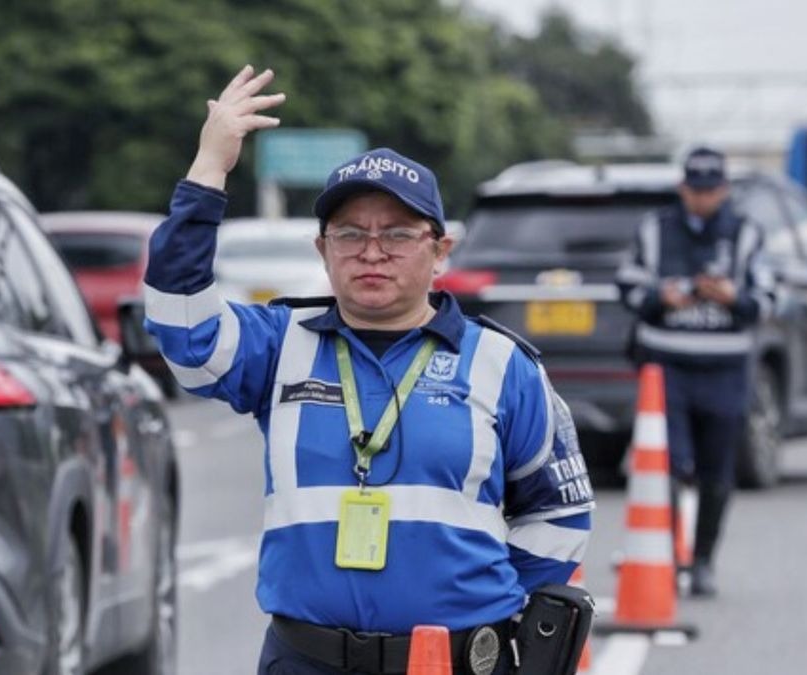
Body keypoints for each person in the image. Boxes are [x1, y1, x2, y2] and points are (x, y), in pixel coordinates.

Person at [144, 65, 594, 675]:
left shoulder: (501, 364)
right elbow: (180, 324)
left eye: (398, 234)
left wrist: (486, 611)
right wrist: (209, 170)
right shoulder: (278, 344)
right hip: (305, 659)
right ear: (322, 249)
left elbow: (559, 511)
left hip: (453, 663)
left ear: (440, 251)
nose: (372, 251)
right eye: (350, 233)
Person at [615, 146, 774, 597]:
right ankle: (666, 553)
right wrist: (661, 297)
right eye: (695, 189)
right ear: (683, 188)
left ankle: (703, 559)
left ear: (723, 190)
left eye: (711, 190)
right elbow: (626, 286)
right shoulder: (655, 230)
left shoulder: (746, 234)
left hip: (725, 370)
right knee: (669, 465)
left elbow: (768, 300)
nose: (702, 198)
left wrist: (729, 296)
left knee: (717, 472)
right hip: (666, 369)